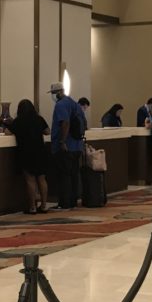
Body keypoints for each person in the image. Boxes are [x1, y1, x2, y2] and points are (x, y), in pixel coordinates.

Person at [48, 82, 85, 210]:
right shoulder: (74, 104)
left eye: (53, 94)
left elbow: (65, 123)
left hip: (66, 146)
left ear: (58, 93)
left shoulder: (60, 105)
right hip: (77, 146)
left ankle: (65, 203)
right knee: (74, 174)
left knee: (64, 175)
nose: (52, 96)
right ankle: (73, 200)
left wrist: (62, 141)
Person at [11, 99, 50, 214]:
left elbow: (8, 132)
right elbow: (47, 131)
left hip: (25, 152)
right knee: (42, 179)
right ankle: (43, 205)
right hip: (40, 151)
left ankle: (32, 207)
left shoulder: (18, 121)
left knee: (30, 180)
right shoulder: (39, 119)